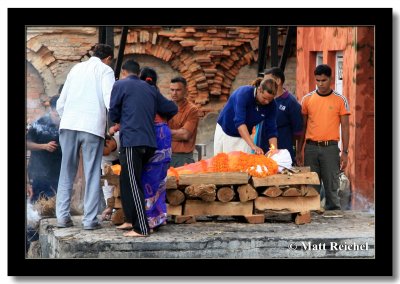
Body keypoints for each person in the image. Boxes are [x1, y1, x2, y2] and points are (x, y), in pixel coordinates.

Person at [109, 60, 177, 237]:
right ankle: (130, 220)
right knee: (126, 178)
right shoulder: (150, 88)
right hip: (149, 142)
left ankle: (141, 228)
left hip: (132, 140)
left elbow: (114, 112)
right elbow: (169, 107)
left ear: (124, 72)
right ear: (138, 72)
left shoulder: (120, 85)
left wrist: (120, 119)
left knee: (133, 183)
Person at [55, 43, 115, 230]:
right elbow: (110, 100)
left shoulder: (76, 68)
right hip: (91, 126)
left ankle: (62, 218)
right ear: (108, 59)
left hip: (69, 125)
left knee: (66, 171)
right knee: (91, 173)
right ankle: (89, 220)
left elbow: (61, 103)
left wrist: (68, 119)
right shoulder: (106, 70)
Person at [296, 64, 350, 211]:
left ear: (330, 79)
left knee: (332, 185)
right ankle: (312, 215)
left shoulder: (340, 100)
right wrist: (299, 151)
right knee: (311, 184)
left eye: (324, 80)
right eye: (317, 80)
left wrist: (345, 152)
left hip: (331, 148)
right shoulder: (307, 99)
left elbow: (345, 127)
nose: (320, 84)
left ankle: (333, 216)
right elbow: (303, 127)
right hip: (311, 148)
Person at [214, 78, 279, 155]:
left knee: (243, 164)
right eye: (264, 98)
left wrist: (274, 149)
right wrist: (253, 146)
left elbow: (271, 129)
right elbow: (239, 122)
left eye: (270, 99)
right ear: (259, 89)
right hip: (226, 130)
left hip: (245, 135)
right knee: (224, 163)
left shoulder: (272, 105)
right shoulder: (243, 94)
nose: (267, 102)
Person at [259, 67, 303, 163]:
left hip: (281, 154)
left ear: (278, 81)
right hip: (261, 150)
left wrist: (298, 152)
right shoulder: (263, 100)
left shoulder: (291, 103)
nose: (264, 83)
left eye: (267, 80)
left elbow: (298, 133)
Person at [27, 95, 62, 203]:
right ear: (51, 109)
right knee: (38, 205)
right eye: (57, 114)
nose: (60, 117)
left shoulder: (66, 123)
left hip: (58, 173)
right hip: (39, 173)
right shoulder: (39, 123)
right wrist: (44, 146)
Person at [167, 77, 199, 167]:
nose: (174, 93)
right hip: (164, 155)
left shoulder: (192, 110)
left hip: (182, 157)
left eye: (178, 90)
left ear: (186, 91)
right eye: (172, 90)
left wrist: (163, 132)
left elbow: (185, 135)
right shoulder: (165, 107)